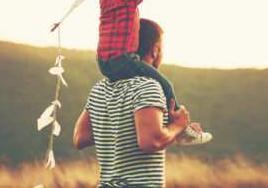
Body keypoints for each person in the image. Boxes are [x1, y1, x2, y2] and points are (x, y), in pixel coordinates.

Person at [74, 18, 211, 187]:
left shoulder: (99, 88)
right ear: (155, 50)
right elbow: (150, 142)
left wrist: (121, 127)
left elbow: (80, 138)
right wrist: (177, 126)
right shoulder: (148, 86)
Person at [96, 0, 210, 145]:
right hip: (123, 60)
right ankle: (181, 128)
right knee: (165, 85)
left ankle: (160, 118)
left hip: (103, 63)